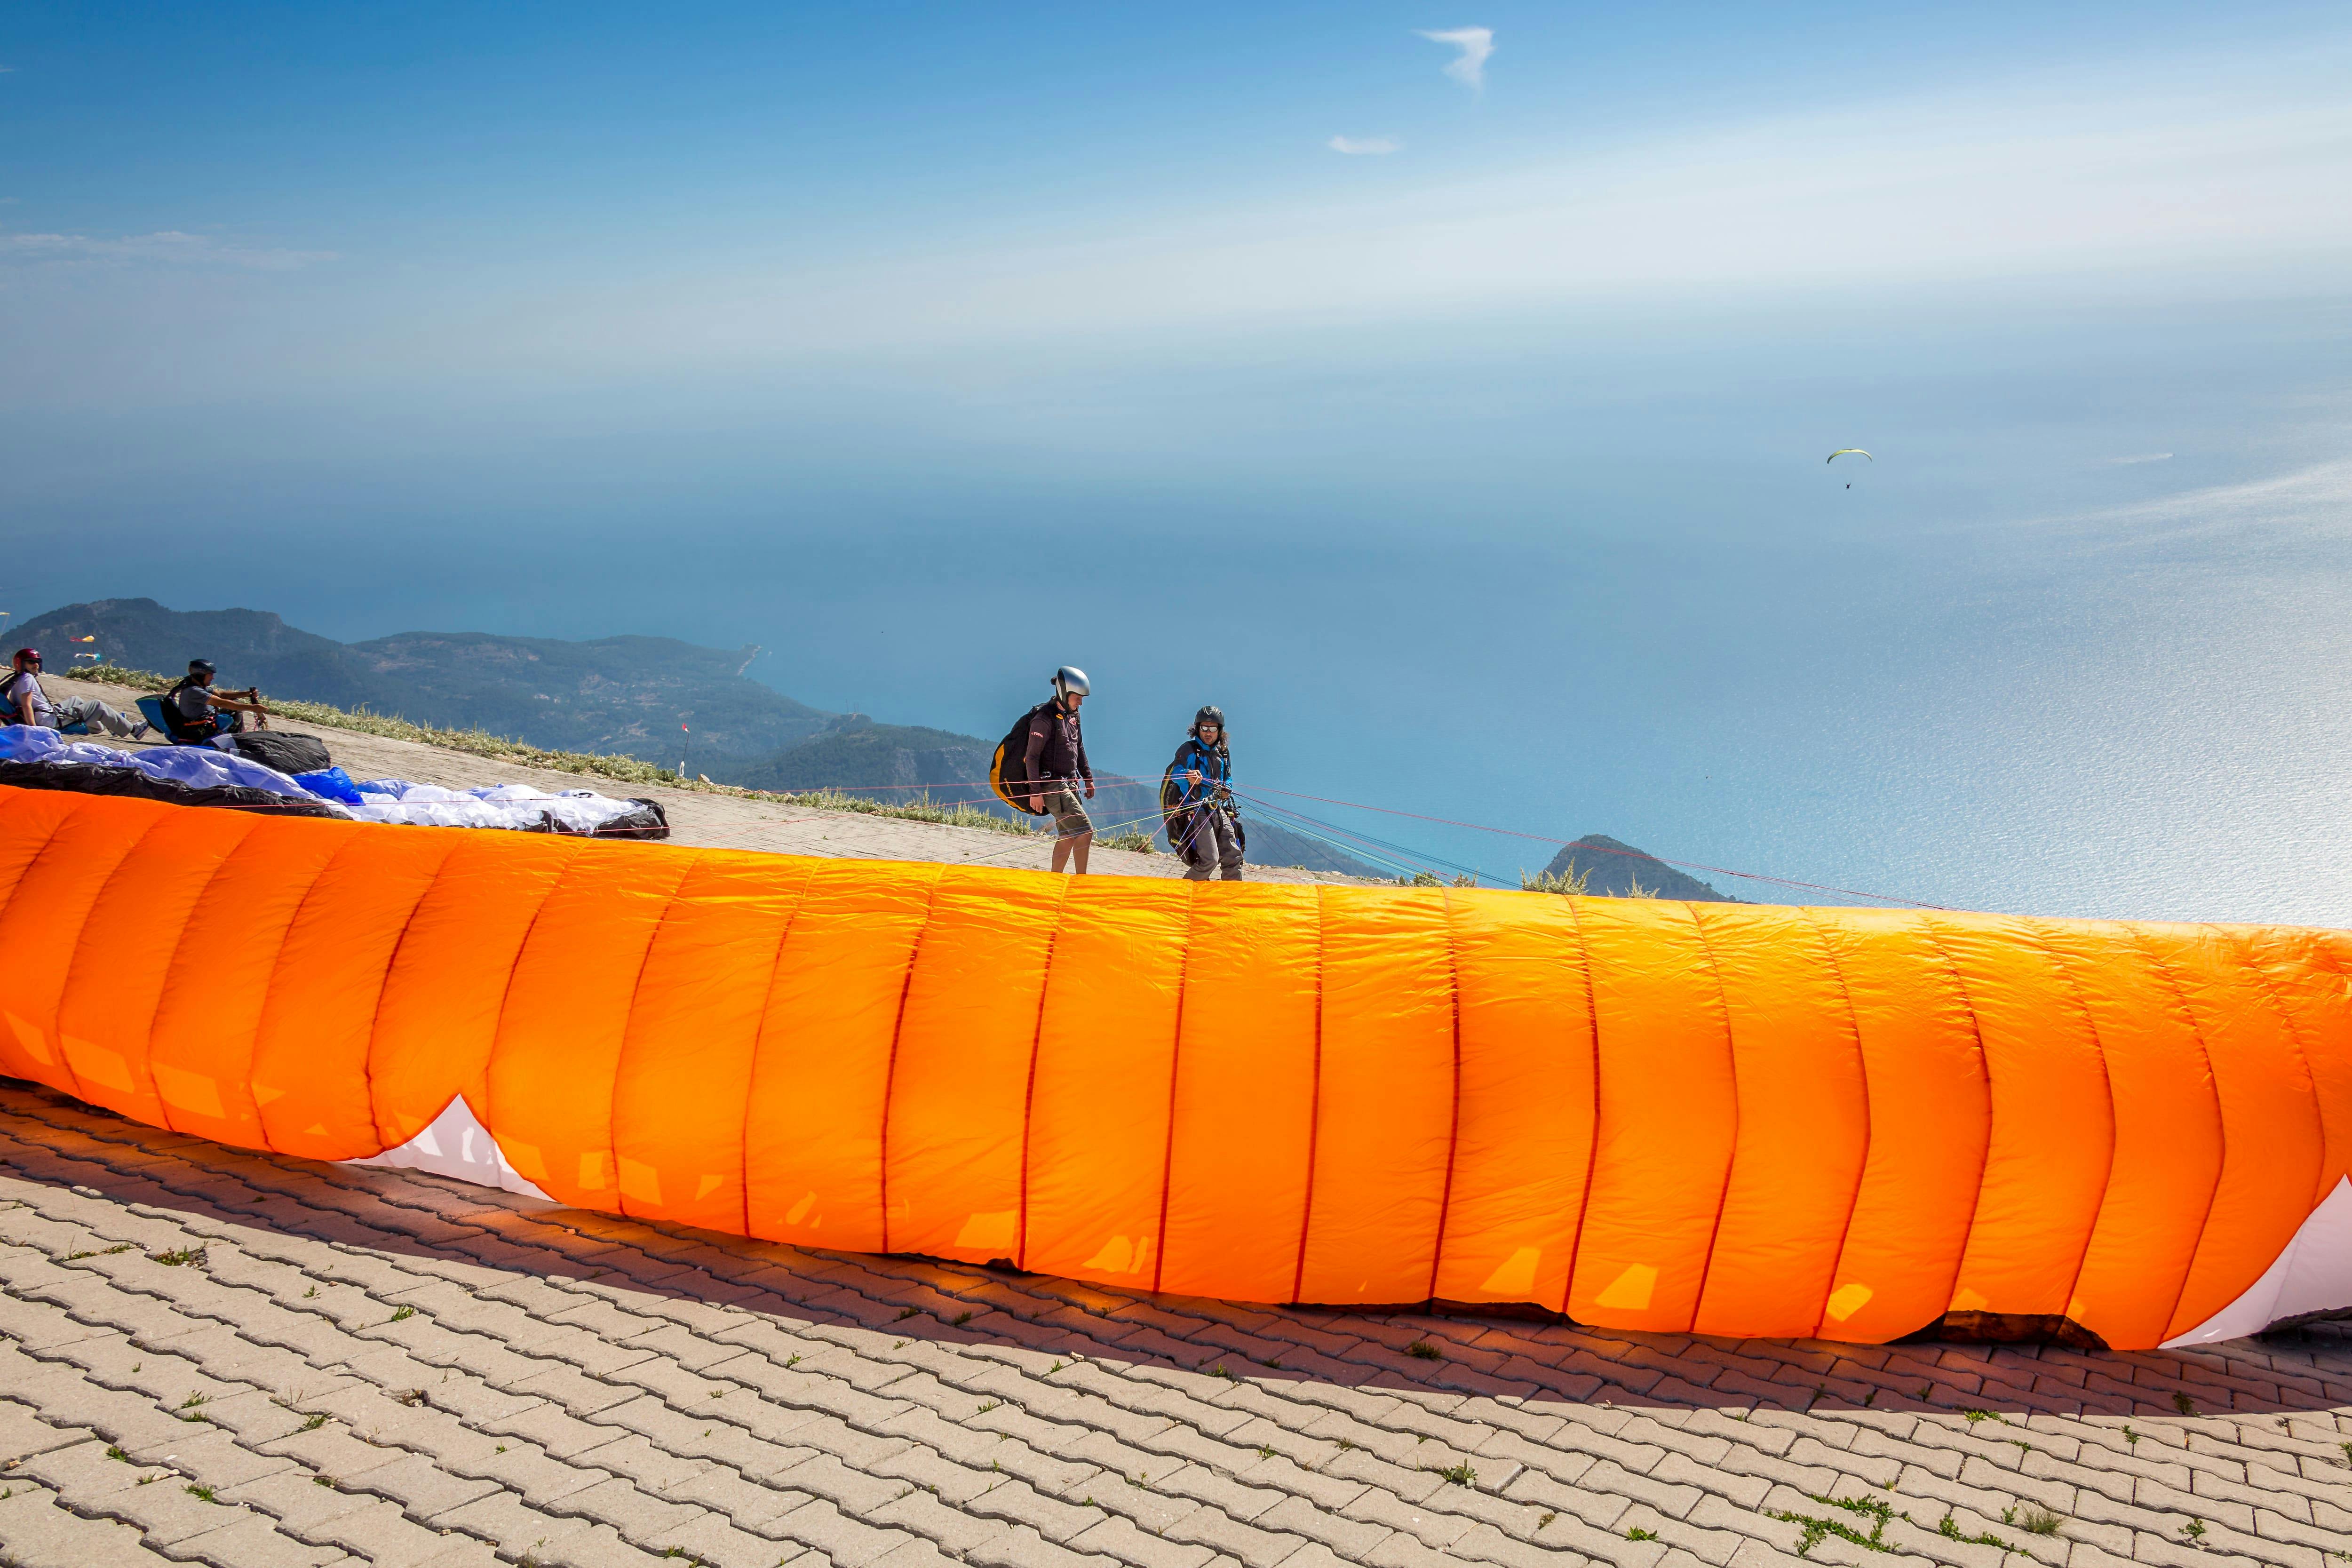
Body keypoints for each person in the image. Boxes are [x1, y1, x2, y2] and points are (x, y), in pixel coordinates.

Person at [1021, 666, 1095, 875]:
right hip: (1053, 785)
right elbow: (1032, 757)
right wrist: (1036, 792)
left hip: (1070, 784)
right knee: (1085, 832)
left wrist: (1088, 779)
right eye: (1078, 697)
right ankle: (1082, 881)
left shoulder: (1073, 717)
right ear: (1064, 692)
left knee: (1069, 835)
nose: (1080, 702)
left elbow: (1079, 748)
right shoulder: (1044, 718)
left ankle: (1055, 880)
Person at [1166, 705, 1244, 881]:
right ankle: (1185, 894)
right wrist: (1188, 775)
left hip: (1217, 809)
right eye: (1204, 728)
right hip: (1196, 809)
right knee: (1209, 860)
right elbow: (1175, 773)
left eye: (1213, 729)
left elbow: (1228, 778)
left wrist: (1227, 789)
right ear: (1197, 728)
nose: (1208, 733)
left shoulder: (1223, 753)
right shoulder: (1188, 750)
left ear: (1219, 730)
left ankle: (1232, 899)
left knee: (1234, 856)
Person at [5, 648, 152, 739]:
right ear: (21, 663)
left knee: (77, 700)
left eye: (37, 661)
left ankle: (114, 725)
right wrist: (33, 730)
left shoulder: (16, 679)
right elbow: (27, 705)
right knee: (97, 705)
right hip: (47, 721)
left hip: (45, 714)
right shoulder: (28, 679)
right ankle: (134, 730)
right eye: (31, 662)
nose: (36, 665)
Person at [159, 659, 269, 745]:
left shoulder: (198, 686)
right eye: (210, 675)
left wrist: (246, 694)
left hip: (203, 722)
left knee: (235, 703)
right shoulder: (194, 691)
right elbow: (222, 703)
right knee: (234, 711)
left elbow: (221, 695)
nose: (213, 678)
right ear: (201, 675)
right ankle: (237, 739)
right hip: (198, 728)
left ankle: (236, 737)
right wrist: (253, 708)